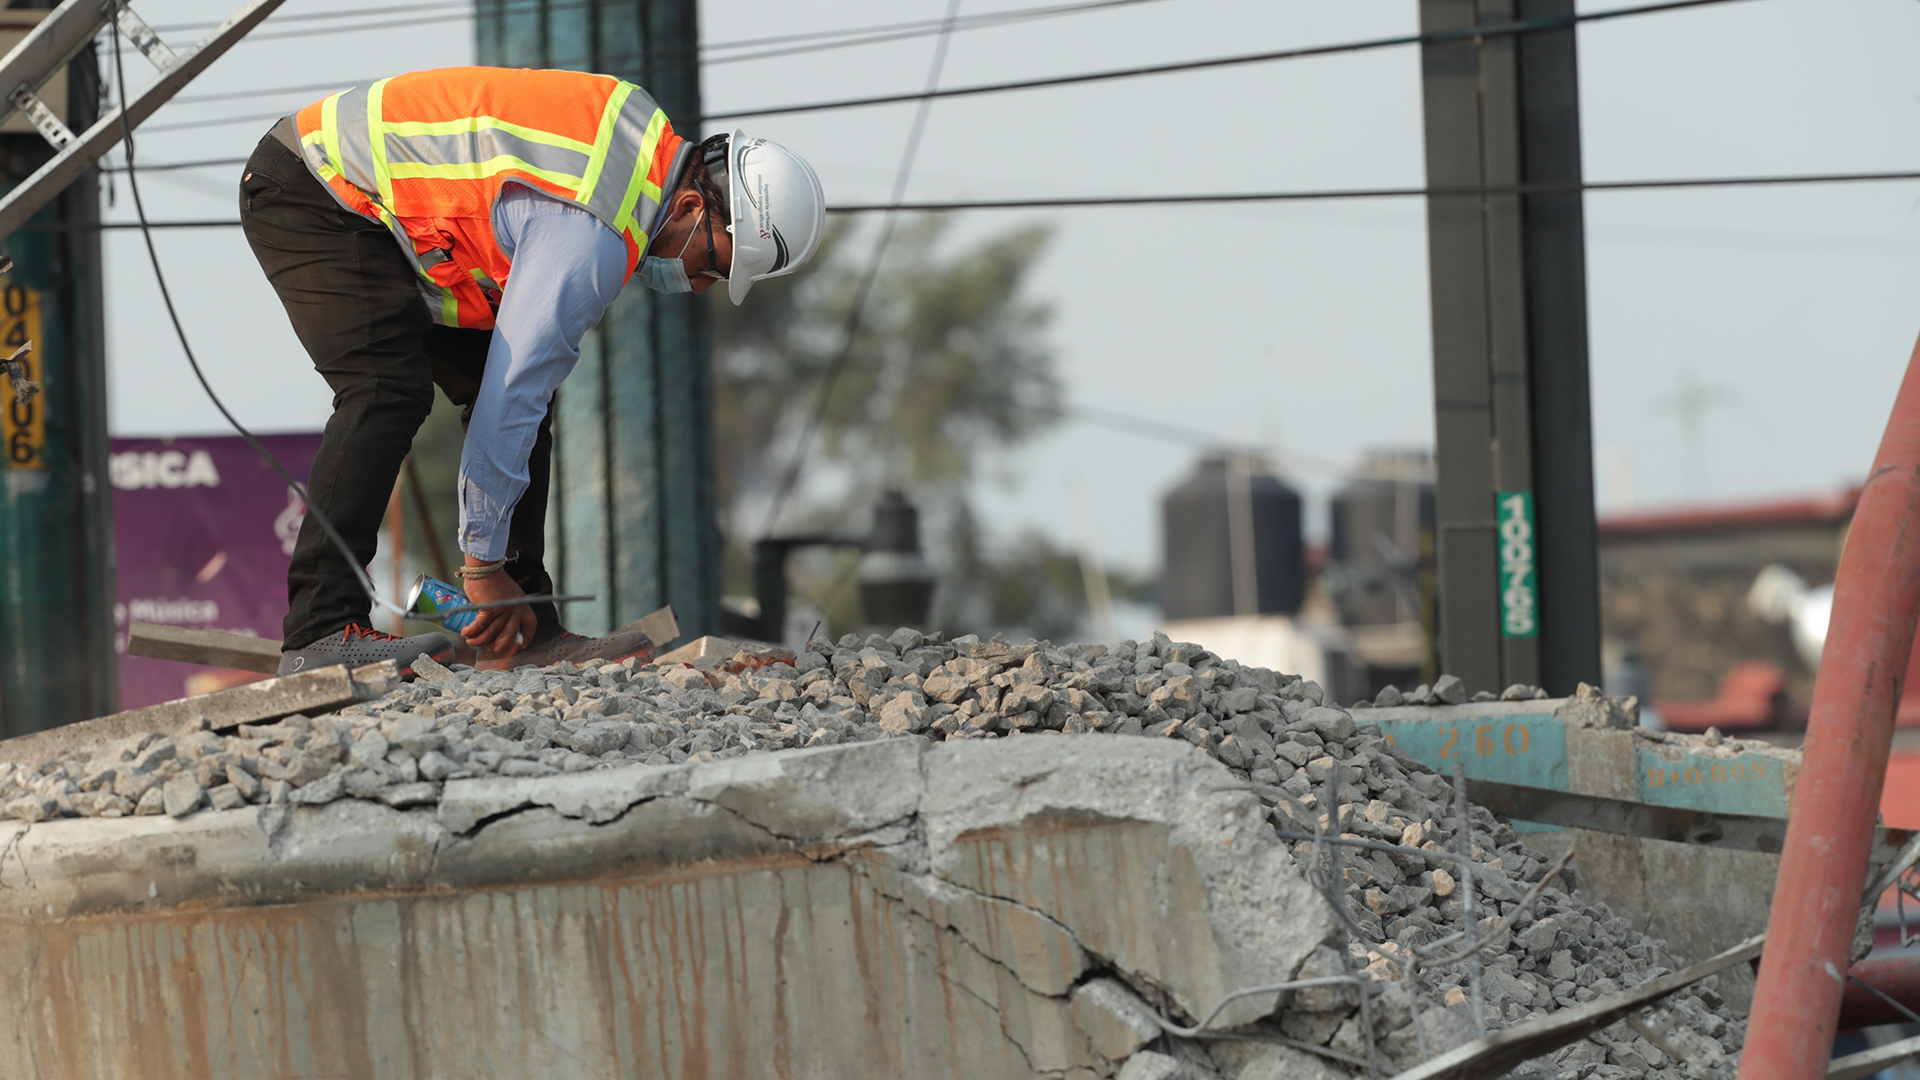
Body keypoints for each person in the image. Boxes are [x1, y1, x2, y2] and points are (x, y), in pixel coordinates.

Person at [238, 66, 824, 676]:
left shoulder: (644, 133)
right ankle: (319, 630)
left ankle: (531, 627)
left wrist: (494, 568)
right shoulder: (591, 235)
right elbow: (507, 400)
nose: (701, 285)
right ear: (690, 204)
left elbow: (516, 392)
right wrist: (479, 568)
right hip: (315, 188)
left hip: (398, 221)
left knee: (516, 396)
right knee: (386, 390)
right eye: (714, 262)